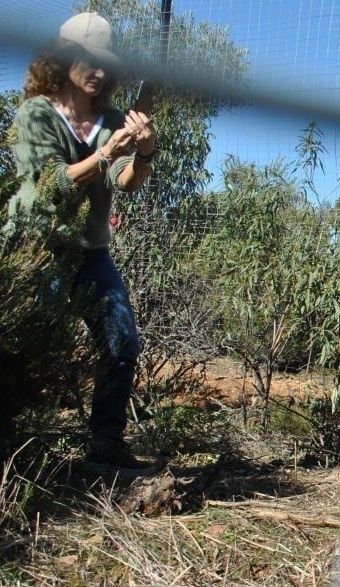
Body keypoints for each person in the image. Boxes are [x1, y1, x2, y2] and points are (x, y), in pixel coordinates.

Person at [4, 13, 157, 476]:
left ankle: (104, 446)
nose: (98, 71)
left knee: (121, 341)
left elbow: (124, 181)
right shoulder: (36, 115)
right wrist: (104, 153)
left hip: (90, 252)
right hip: (36, 250)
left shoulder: (111, 118)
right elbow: (49, 185)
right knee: (20, 348)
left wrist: (143, 152)